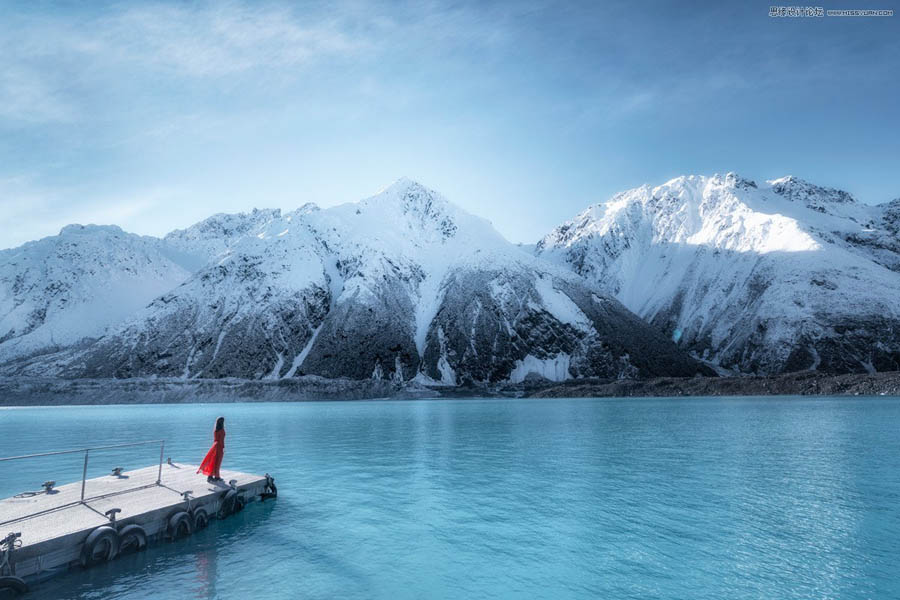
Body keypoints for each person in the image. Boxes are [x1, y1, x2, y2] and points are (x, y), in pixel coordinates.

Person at [197, 416, 226, 483]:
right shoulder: (222, 430)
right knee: (218, 462)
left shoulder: (215, 430)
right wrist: (223, 448)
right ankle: (217, 477)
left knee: (213, 461)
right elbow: (221, 440)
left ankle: (210, 476)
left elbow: (216, 439)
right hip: (219, 447)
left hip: (214, 446)